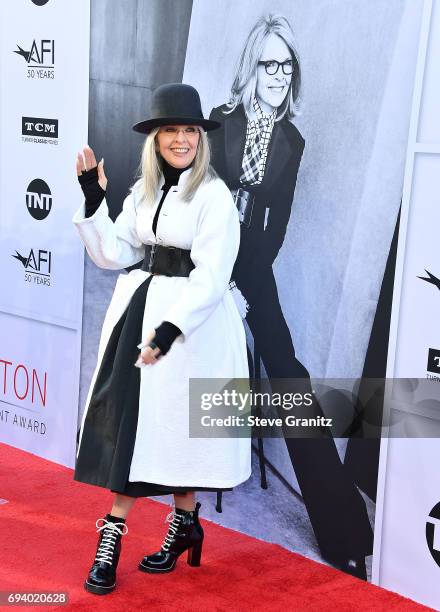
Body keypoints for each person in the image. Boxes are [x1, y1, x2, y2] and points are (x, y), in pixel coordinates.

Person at [208, 14, 373, 578]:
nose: (278, 74)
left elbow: (273, 230)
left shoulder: (291, 140)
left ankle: (343, 528)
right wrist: (212, 278)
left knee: (287, 369)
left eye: (287, 65)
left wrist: (243, 288)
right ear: (251, 67)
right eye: (269, 63)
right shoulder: (218, 123)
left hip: (252, 265)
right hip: (203, 254)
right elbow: (194, 202)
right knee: (155, 326)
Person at [72, 83, 251, 595]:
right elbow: (113, 252)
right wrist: (93, 198)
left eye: (188, 130)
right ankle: (165, 526)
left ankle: (138, 531)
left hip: (190, 327)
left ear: (200, 137)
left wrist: (169, 330)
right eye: (169, 130)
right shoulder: (144, 191)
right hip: (138, 312)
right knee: (133, 425)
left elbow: (213, 276)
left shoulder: (214, 196)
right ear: (154, 138)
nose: (180, 139)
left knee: (173, 432)